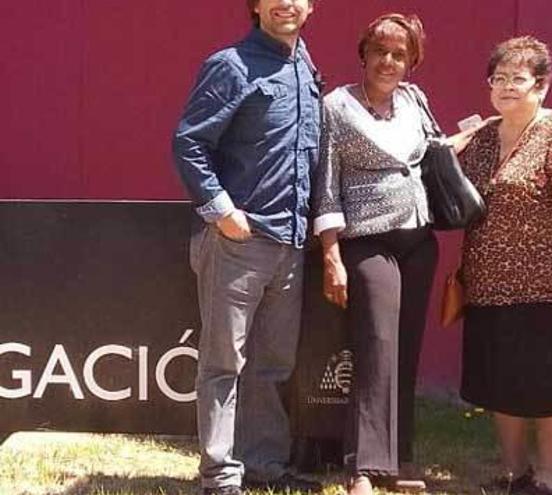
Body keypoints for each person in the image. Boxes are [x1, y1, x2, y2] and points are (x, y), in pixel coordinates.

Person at [311, 13, 476, 495]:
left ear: (412, 62)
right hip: (368, 239)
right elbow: (326, 186)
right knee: (376, 345)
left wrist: (464, 139)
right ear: (363, 54)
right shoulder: (337, 106)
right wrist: (332, 254)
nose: (388, 61)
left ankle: (400, 458)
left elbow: (430, 153)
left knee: (404, 349)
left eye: (399, 54)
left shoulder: (414, 100)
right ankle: (363, 466)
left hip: (417, 237)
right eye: (380, 51)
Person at [172, 1, 322, 494]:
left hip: (290, 244)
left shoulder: (305, 67)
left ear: (311, 6)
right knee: (222, 365)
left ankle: (263, 465)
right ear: (255, 6)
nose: (286, 3)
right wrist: (223, 211)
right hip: (239, 243)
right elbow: (189, 142)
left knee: (272, 364)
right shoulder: (231, 65)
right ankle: (219, 476)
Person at [458, 36, 552, 495]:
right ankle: (514, 470)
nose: (506, 87)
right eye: (498, 78)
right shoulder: (483, 137)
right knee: (500, 382)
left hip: (551, 289)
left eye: (517, 79)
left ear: (541, 86)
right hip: (489, 288)